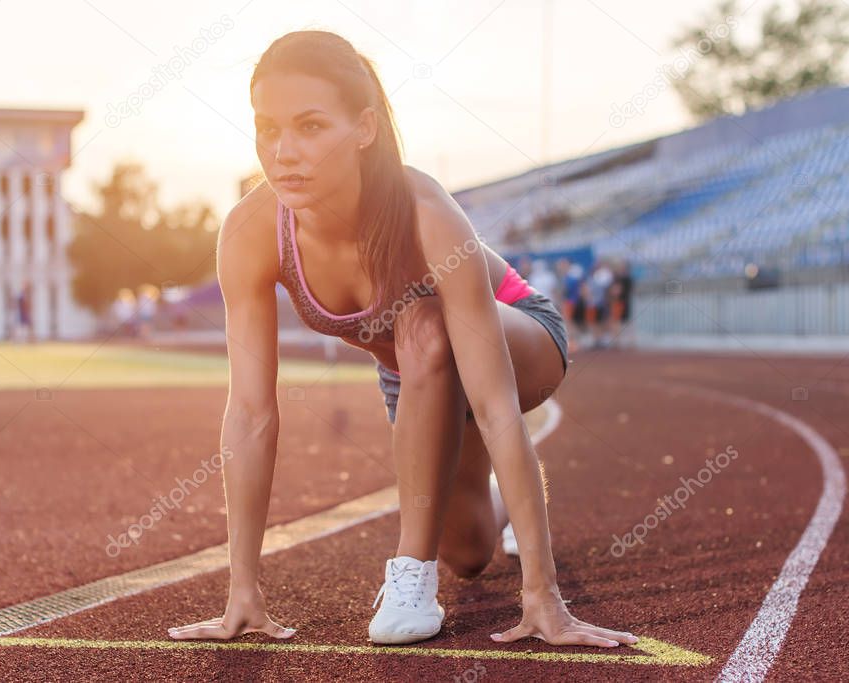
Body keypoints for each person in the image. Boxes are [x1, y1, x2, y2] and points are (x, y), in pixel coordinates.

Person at [167, 29, 637, 650]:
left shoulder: (427, 214)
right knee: (467, 551)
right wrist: (242, 590)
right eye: (267, 128)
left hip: (517, 336)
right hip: (418, 371)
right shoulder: (252, 231)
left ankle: (409, 579)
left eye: (310, 127)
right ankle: (501, 509)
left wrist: (542, 596)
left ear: (364, 128)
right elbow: (251, 412)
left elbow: (496, 407)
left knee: (423, 323)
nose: (282, 152)